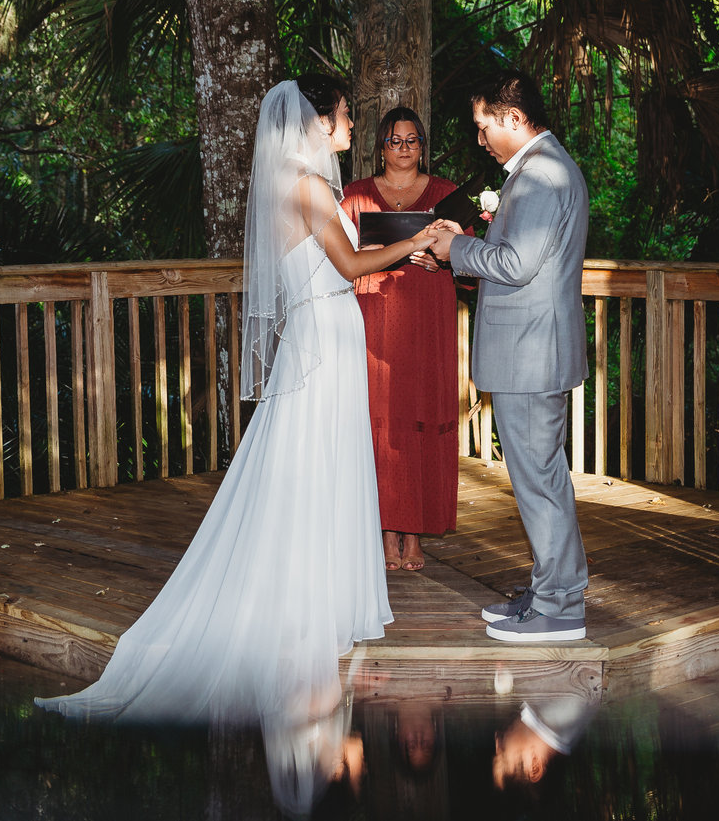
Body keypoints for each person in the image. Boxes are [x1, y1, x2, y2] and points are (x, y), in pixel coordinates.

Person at [37, 75, 434, 812]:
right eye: (347, 117)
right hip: (323, 337)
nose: (353, 126)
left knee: (321, 470)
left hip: (329, 337)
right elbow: (347, 269)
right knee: (312, 473)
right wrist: (416, 243)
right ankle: (302, 615)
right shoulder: (310, 186)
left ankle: (319, 609)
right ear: (319, 121)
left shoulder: (301, 180)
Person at [428, 69, 590, 643]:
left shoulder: (542, 175)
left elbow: (517, 266)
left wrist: (456, 249)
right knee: (542, 478)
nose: (480, 139)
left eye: (483, 126)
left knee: (539, 482)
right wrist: (466, 243)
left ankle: (561, 608)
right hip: (531, 349)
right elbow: (522, 257)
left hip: (531, 353)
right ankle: (551, 588)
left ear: (512, 118)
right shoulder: (541, 170)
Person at [340, 107, 461, 572]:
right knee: (380, 419)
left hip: (428, 318)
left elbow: (471, 256)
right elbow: (335, 258)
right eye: (395, 141)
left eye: (413, 140)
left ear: (422, 146)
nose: (405, 149)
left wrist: (445, 261)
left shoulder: (446, 195)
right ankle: (385, 531)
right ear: (381, 148)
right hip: (373, 318)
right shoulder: (355, 197)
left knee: (420, 413)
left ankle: (414, 533)